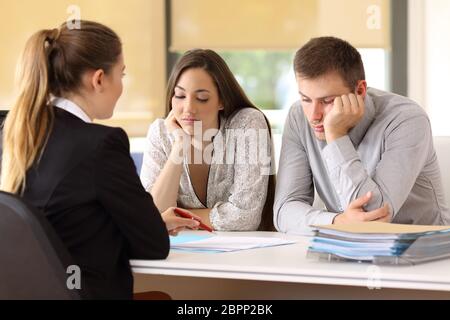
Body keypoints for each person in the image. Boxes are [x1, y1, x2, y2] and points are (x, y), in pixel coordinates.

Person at [0, 20, 199, 299]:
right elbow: (154, 246)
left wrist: (143, 224)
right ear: (98, 79)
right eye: (122, 74)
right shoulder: (101, 144)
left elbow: (67, 223)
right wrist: (147, 226)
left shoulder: (15, 134)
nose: (121, 87)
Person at [274, 36, 450, 234]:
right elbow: (284, 211)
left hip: (423, 252)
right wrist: (336, 222)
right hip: (348, 253)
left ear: (359, 90)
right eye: (305, 99)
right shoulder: (299, 117)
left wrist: (336, 136)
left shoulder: (407, 119)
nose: (314, 116)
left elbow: (373, 216)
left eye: (327, 100)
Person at [140, 49, 275, 231]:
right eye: (180, 96)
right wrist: (179, 146)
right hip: (184, 253)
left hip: (246, 254)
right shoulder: (160, 132)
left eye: (202, 98)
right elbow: (152, 216)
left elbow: (245, 217)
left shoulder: (247, 124)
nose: (188, 108)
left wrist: (179, 216)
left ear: (222, 101)